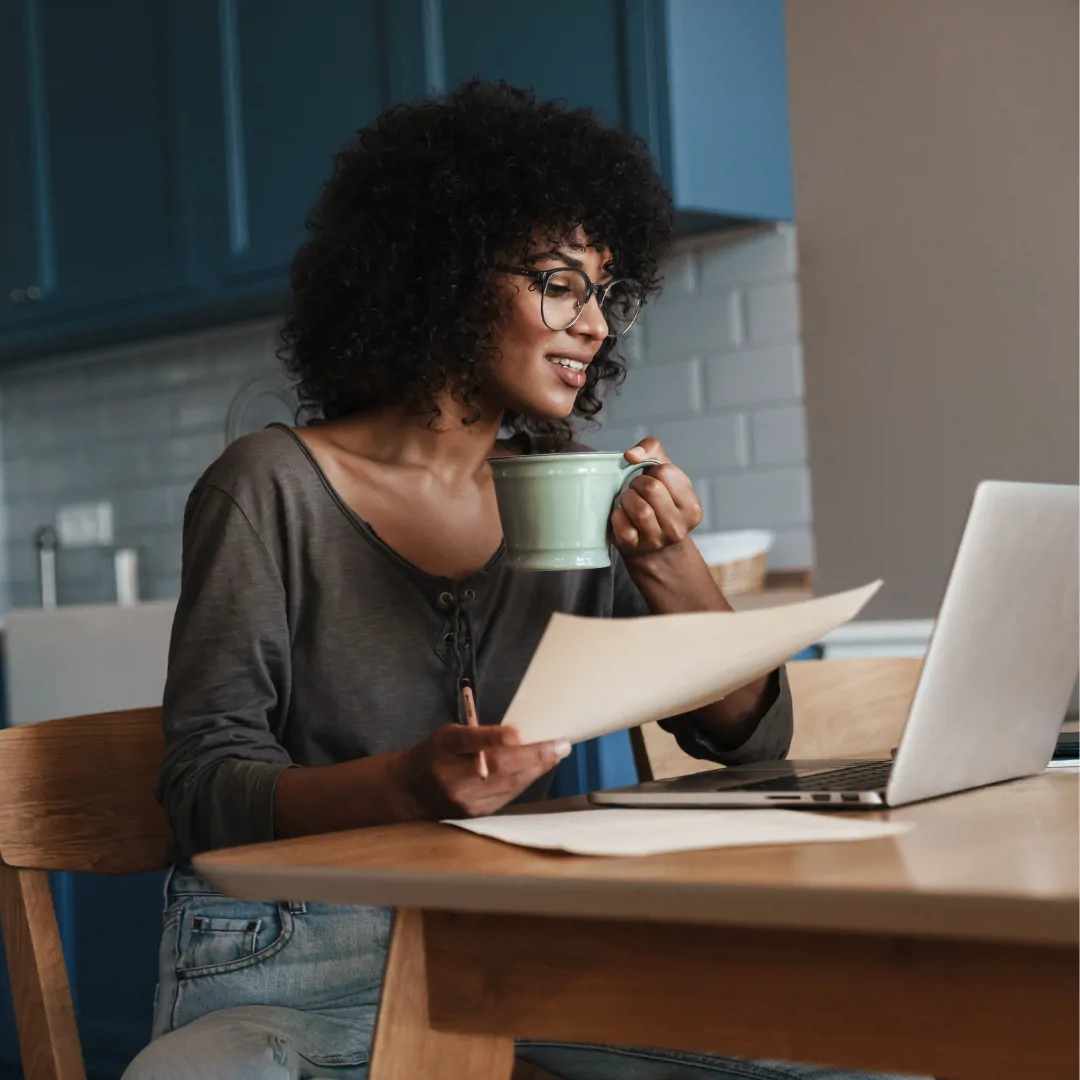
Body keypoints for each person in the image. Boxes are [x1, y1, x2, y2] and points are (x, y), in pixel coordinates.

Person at [123, 82, 918, 1080]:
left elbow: (749, 739)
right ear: (442, 276)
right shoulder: (268, 485)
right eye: (558, 282)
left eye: (604, 293)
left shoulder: (572, 492)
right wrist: (412, 783)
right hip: (288, 959)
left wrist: (670, 568)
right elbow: (203, 790)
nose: (593, 324)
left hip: (519, 949)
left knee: (863, 1054)